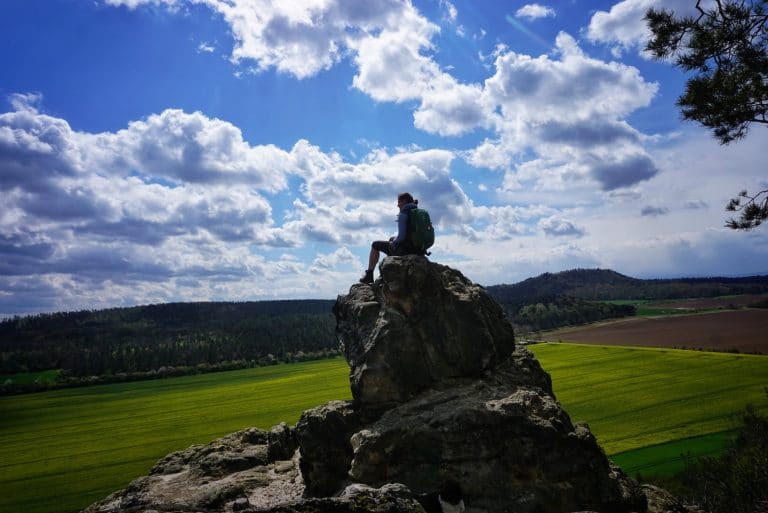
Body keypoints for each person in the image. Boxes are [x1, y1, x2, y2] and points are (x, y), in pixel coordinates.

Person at [360, 192, 423, 285]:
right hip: (418, 249)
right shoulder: (418, 212)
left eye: (399, 202)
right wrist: (393, 239)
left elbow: (401, 237)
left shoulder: (404, 213)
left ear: (404, 201)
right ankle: (384, 273)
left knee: (375, 244)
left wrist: (394, 242)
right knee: (391, 239)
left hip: (405, 250)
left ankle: (369, 275)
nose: (397, 205)